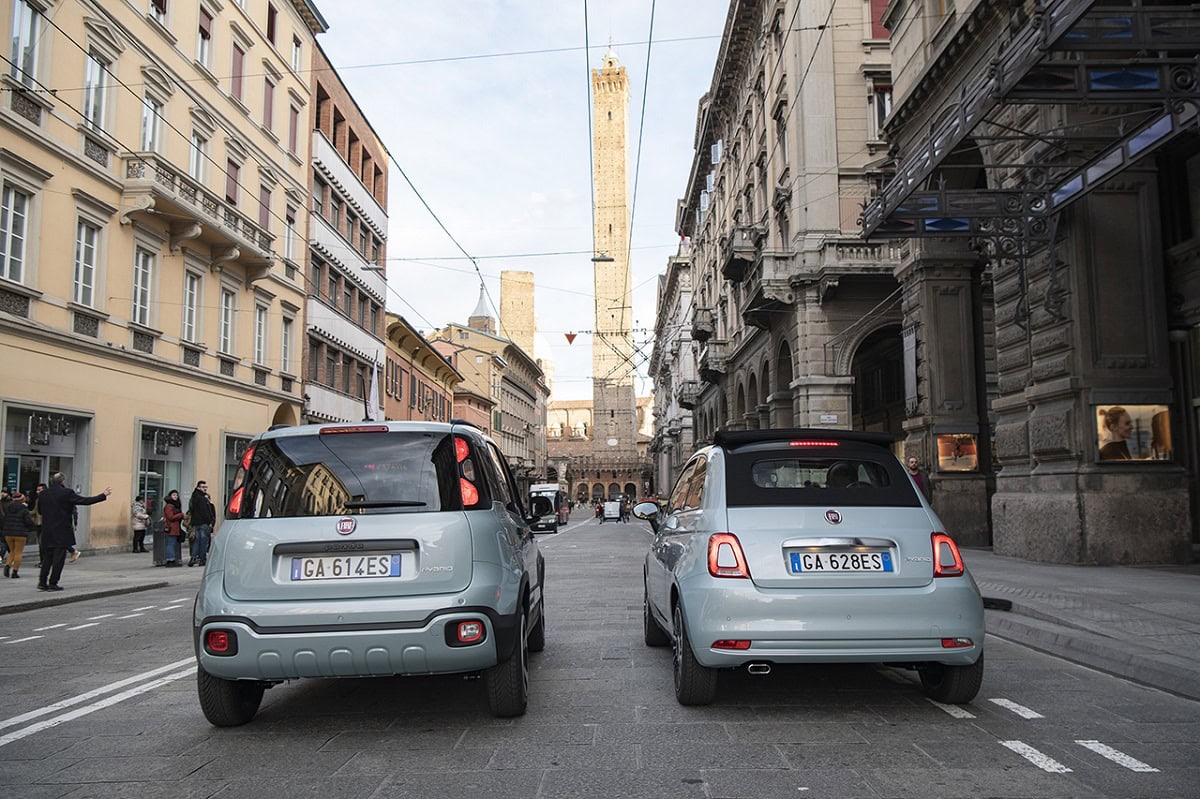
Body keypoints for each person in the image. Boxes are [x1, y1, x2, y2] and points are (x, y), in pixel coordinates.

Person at [36, 472, 111, 591]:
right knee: (58, 559)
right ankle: (53, 583)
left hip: (47, 531)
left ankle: (42, 582)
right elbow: (84, 501)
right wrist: (103, 495)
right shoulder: (66, 493)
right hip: (61, 530)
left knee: (47, 558)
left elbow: (40, 511)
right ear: (62, 481)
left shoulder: (43, 494)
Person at [2, 491, 34, 578]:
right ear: (22, 500)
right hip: (20, 533)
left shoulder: (8, 508)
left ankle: (8, 565)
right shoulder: (24, 509)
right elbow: (28, 522)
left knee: (12, 551)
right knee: (18, 552)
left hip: (8, 533)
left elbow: (4, 519)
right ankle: (15, 572)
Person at [187, 480, 216, 567]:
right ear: (198, 487)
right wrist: (210, 521)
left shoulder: (193, 498)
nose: (205, 489)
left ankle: (193, 557)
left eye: (205, 487)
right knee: (203, 541)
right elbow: (205, 512)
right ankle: (202, 558)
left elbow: (191, 510)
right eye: (203, 487)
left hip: (196, 522)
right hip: (203, 523)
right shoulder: (202, 499)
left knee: (196, 541)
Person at [162, 489, 185, 567]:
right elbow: (170, 517)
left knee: (172, 543)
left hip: (175, 527)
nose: (175, 496)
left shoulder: (175, 505)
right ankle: (170, 560)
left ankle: (172, 559)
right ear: (170, 496)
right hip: (171, 527)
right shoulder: (169, 506)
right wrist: (181, 515)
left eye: (176, 495)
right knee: (171, 544)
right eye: (173, 495)